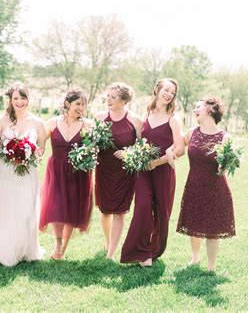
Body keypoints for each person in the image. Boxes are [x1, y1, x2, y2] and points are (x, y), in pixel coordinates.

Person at [120, 78, 184, 266]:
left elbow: (180, 148)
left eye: (172, 92)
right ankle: (139, 251)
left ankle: (153, 250)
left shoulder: (173, 120)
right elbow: (139, 142)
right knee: (143, 207)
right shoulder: (146, 115)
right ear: (157, 90)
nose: (168, 94)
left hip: (163, 171)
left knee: (161, 212)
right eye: (166, 89)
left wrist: (158, 162)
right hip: (143, 172)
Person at [0, 82, 46, 267]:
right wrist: (8, 155)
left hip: (27, 173)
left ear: (28, 99)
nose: (19, 102)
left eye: (23, 98)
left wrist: (30, 154)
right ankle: (5, 248)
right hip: (5, 171)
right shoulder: (1, 120)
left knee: (25, 209)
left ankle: (25, 248)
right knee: (4, 209)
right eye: (16, 98)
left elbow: (42, 147)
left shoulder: (38, 122)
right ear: (10, 101)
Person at [176, 97, 235, 271]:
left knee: (212, 229)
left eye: (198, 107)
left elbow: (225, 167)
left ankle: (211, 267)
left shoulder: (225, 137)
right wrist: (169, 152)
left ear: (210, 109)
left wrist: (223, 165)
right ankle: (195, 258)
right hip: (194, 185)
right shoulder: (191, 132)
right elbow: (177, 147)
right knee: (194, 224)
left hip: (215, 188)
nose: (194, 110)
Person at [39, 88, 94, 260]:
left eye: (84, 104)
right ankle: (58, 242)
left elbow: (94, 150)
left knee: (72, 209)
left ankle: (63, 248)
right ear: (67, 104)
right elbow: (39, 145)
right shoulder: (52, 123)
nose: (81, 107)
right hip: (56, 171)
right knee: (56, 206)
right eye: (78, 103)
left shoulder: (88, 125)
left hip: (79, 172)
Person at [94, 83, 143, 260]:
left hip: (124, 172)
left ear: (123, 101)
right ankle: (108, 242)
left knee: (119, 212)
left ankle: (111, 252)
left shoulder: (136, 120)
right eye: (108, 96)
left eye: (113, 97)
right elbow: (93, 143)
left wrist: (128, 152)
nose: (108, 99)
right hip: (103, 169)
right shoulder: (99, 117)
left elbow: (142, 147)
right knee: (105, 211)